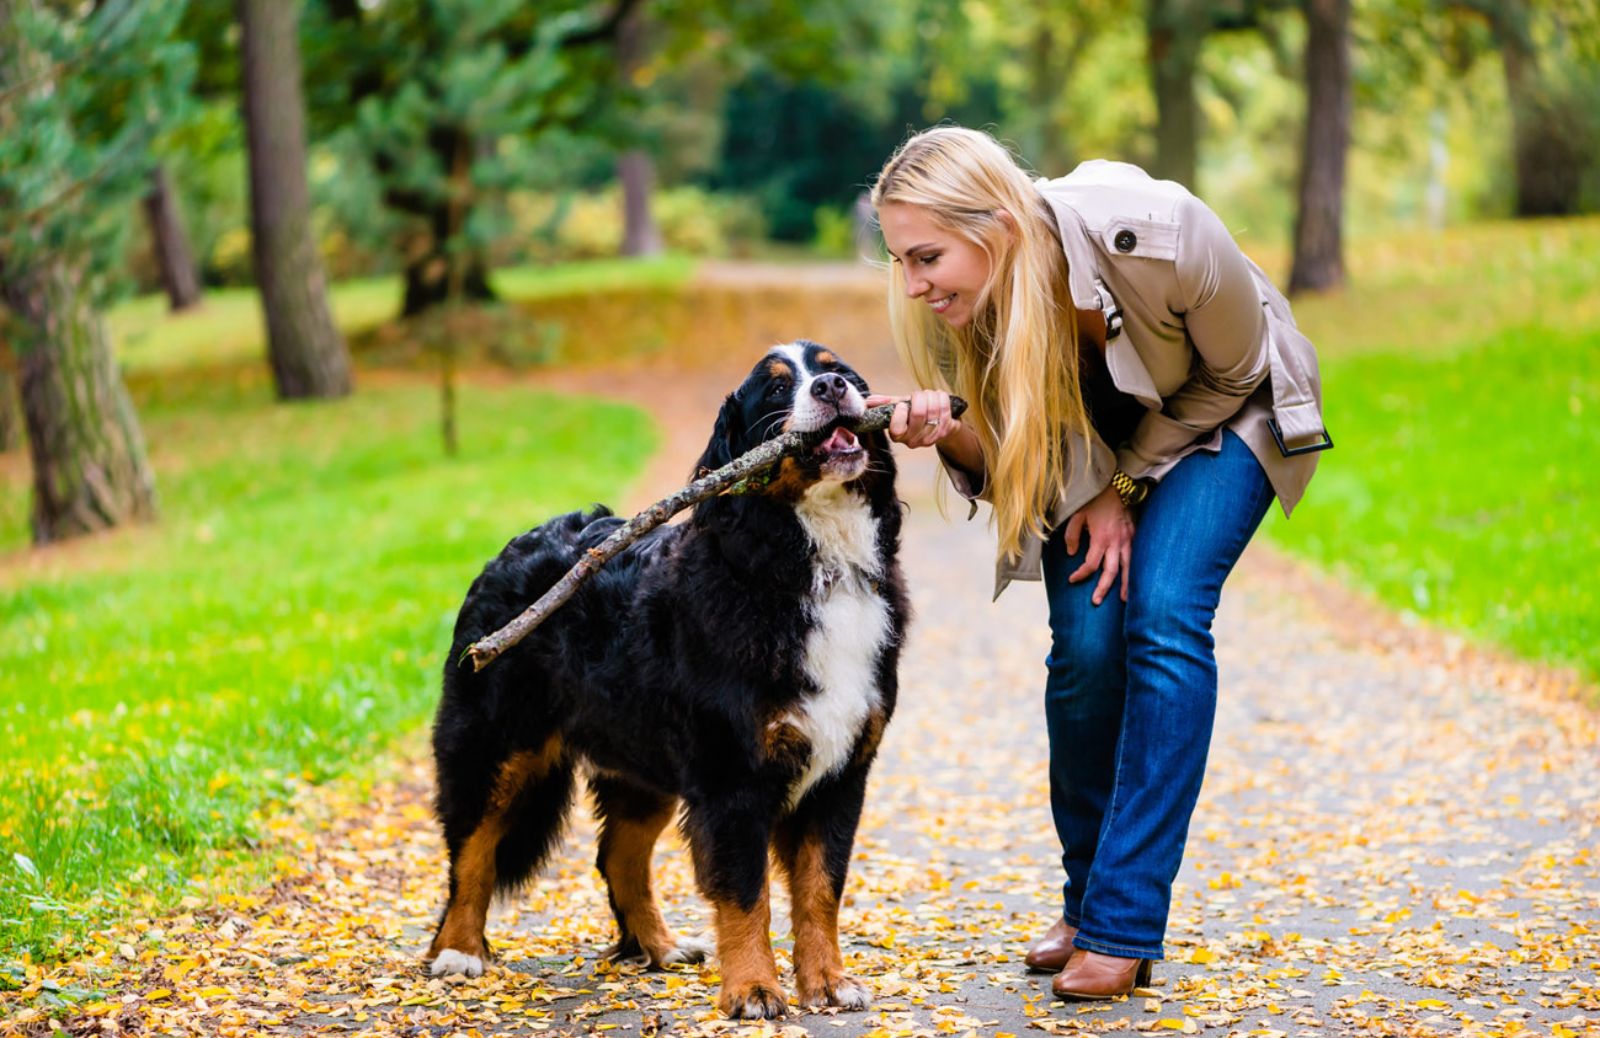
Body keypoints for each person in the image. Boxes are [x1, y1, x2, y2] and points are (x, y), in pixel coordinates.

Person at [864, 126, 1330, 1000]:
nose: (916, 283)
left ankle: (1124, 922)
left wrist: (1122, 480)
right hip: (1098, 455)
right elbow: (1016, 464)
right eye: (901, 262)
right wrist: (950, 433)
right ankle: (1085, 902)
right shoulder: (955, 312)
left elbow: (1231, 374)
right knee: (1083, 650)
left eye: (927, 256)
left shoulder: (1163, 231)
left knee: (1162, 612)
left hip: (1233, 415)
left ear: (996, 223)